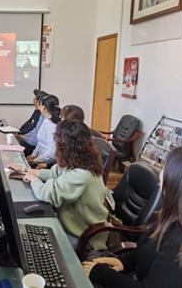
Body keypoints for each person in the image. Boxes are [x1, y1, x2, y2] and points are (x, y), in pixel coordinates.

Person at [83, 146, 182, 288]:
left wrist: (100, 273)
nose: (162, 170)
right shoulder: (179, 216)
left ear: (179, 186)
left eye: (167, 167)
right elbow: (149, 248)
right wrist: (124, 262)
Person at [8, 120, 108, 250]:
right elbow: (54, 174)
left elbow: (49, 194)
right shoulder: (81, 160)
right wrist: (25, 170)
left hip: (83, 236)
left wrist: (34, 180)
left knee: (34, 245)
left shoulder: (82, 174)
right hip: (74, 225)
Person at [27, 94, 61, 167]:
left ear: (44, 107)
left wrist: (35, 161)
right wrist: (33, 155)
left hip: (47, 163)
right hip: (40, 158)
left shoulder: (52, 126)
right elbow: (40, 141)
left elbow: (52, 152)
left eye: (40, 104)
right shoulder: (46, 120)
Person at [16, 90, 48, 156]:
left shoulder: (45, 118)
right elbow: (30, 126)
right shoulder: (40, 114)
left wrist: (23, 137)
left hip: (32, 145)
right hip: (31, 142)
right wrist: (20, 133)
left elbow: (38, 141)